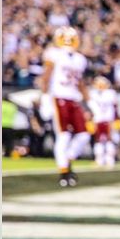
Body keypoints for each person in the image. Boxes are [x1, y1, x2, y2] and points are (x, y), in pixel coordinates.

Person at [38, 26, 89, 187]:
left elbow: (80, 82)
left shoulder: (80, 59)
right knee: (64, 136)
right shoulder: (54, 54)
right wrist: (45, 96)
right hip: (59, 97)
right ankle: (64, 171)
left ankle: (67, 159)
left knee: (83, 135)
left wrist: (88, 101)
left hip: (73, 99)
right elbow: (46, 76)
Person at [88, 77, 119, 168]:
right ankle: (100, 160)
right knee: (98, 140)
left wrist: (117, 118)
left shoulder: (110, 93)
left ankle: (109, 160)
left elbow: (115, 106)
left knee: (109, 140)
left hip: (107, 119)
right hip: (98, 119)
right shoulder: (94, 93)